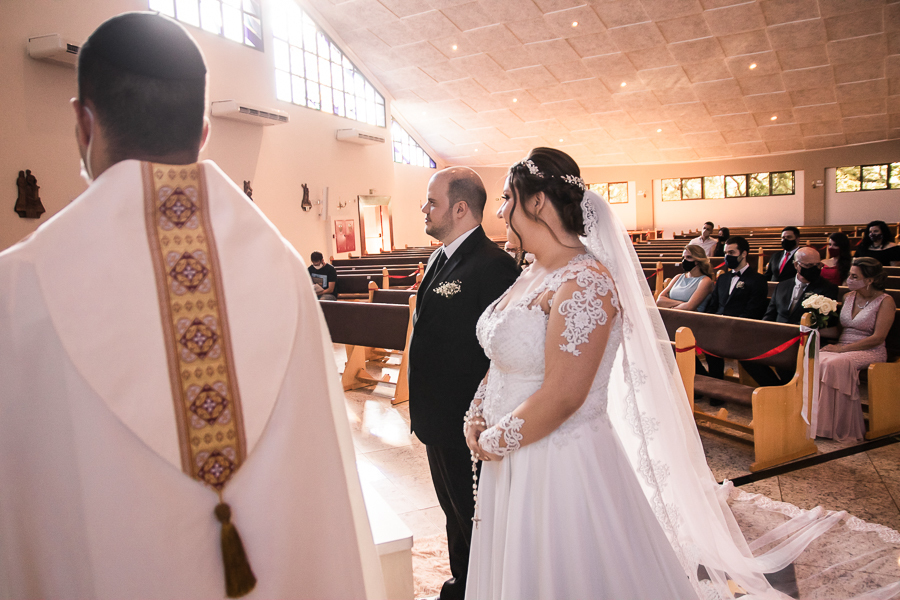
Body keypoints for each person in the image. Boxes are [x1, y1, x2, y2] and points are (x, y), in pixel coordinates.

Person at [0, 12, 384, 599]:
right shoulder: (283, 271)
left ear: (82, 123)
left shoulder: (20, 288)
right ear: (204, 131)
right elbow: (320, 486)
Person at [460, 148, 895, 600]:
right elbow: (503, 358)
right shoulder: (530, 272)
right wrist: (476, 412)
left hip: (554, 458)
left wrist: (493, 441)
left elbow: (565, 395)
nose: (501, 210)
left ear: (535, 202)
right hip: (509, 446)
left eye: (507, 197)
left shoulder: (584, 280)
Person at [407, 166, 518, 600]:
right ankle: (463, 581)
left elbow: (499, 349)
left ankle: (484, 586)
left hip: (466, 417)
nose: (424, 208)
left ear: (459, 208)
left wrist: (480, 417)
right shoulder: (440, 255)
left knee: (474, 513)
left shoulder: (493, 266)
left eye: (431, 201)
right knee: (452, 509)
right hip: (437, 415)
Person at [816, 257, 896, 441]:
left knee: (835, 362)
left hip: (871, 349)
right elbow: (840, 329)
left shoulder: (885, 301)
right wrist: (814, 329)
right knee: (817, 357)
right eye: (849, 275)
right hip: (843, 346)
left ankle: (838, 424)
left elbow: (878, 337)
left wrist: (842, 350)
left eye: (854, 276)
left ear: (869, 280)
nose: (848, 280)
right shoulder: (848, 296)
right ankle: (818, 419)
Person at [746, 246, 840, 387]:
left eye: (817, 265)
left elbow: (827, 323)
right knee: (747, 354)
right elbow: (770, 315)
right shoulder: (782, 286)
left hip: (804, 340)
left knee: (786, 360)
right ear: (796, 265)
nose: (814, 269)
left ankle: (787, 393)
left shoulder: (827, 288)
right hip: (778, 336)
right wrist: (764, 333)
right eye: (808, 265)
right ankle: (776, 389)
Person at [703, 236, 769, 381]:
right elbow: (713, 305)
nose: (727, 256)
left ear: (743, 254)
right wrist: (709, 321)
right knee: (705, 343)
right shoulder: (723, 278)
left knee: (745, 356)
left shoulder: (757, 280)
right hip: (718, 327)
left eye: (731, 253)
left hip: (741, 329)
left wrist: (732, 326)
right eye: (726, 253)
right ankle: (715, 387)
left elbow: (753, 310)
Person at [656, 244, 715, 311]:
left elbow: (689, 307)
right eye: (683, 257)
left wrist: (670, 306)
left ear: (697, 261)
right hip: (672, 315)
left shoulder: (705, 281)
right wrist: (682, 303)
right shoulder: (678, 277)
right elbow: (659, 301)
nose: (684, 260)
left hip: (692, 318)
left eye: (689, 257)